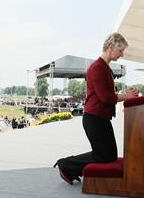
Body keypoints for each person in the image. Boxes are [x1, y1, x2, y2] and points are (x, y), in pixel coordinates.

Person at [54, 33, 138, 184]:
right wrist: (127, 96)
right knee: (103, 155)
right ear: (111, 47)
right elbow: (105, 97)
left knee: (109, 155)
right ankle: (66, 165)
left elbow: (108, 94)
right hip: (94, 118)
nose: (122, 54)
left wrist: (125, 95)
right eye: (120, 50)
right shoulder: (97, 68)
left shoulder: (104, 67)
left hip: (101, 117)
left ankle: (69, 167)